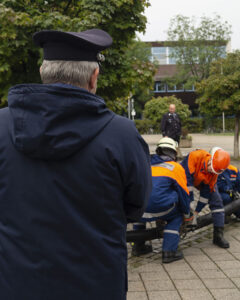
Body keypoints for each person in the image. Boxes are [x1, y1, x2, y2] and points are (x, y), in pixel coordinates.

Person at [0, 29, 152, 300]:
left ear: (42, 71)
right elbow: (136, 206)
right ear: (94, 78)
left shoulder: (1, 127)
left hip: (16, 285)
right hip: (96, 285)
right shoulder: (122, 134)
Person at [132, 137, 191, 263]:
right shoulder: (175, 167)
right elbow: (183, 194)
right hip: (162, 210)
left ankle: (138, 247)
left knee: (139, 213)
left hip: (139, 212)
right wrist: (186, 214)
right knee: (176, 217)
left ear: (158, 151)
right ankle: (169, 252)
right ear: (174, 153)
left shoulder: (144, 164)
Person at [181, 147, 230, 248]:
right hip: (184, 177)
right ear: (210, 159)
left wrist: (195, 213)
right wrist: (189, 208)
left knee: (217, 201)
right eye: (210, 167)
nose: (211, 171)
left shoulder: (214, 173)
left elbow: (205, 195)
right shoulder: (195, 156)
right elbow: (188, 184)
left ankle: (218, 235)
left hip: (201, 181)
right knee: (179, 198)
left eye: (214, 171)